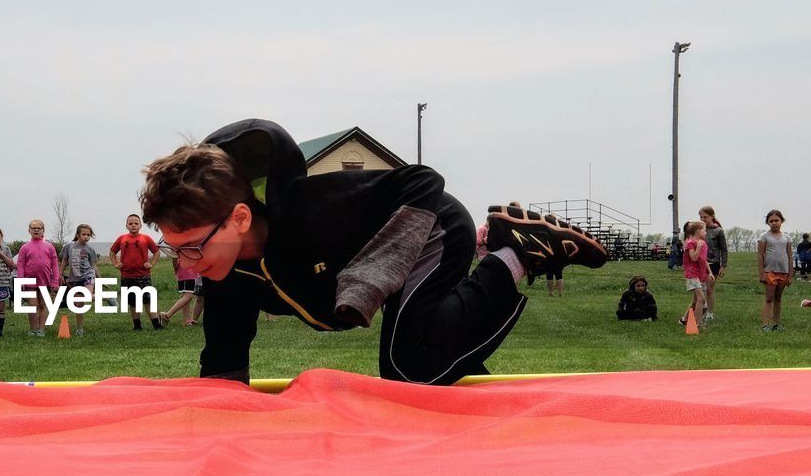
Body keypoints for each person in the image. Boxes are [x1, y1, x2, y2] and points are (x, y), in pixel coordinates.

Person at [139, 118, 607, 385]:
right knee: (422, 364)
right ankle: (454, 352)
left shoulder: (310, 209)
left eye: (194, 247)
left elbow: (423, 182)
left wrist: (371, 277)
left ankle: (516, 251)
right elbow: (224, 364)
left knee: (406, 366)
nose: (185, 265)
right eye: (174, 250)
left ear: (240, 218)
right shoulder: (227, 277)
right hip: (400, 247)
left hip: (431, 225)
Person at [110, 214, 162, 331]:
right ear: (126, 225)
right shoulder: (122, 239)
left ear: (140, 225)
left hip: (143, 275)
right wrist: (115, 263)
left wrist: (151, 263)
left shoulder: (146, 238)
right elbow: (112, 251)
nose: (133, 225)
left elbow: (156, 252)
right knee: (133, 302)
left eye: (136, 223)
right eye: (131, 223)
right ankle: (137, 326)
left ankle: (156, 325)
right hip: (126, 276)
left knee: (148, 300)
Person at [16, 219, 61, 337]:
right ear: (29, 230)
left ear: (43, 231)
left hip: (45, 281)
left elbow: (55, 265)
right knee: (32, 305)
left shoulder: (49, 247)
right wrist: (21, 281)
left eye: (39, 228)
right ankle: (33, 329)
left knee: (43, 305)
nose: (36, 230)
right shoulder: (24, 248)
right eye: (33, 228)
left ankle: (41, 329)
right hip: (29, 281)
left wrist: (55, 281)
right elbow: (20, 265)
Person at [59, 223, 100, 336]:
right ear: (78, 234)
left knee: (86, 295)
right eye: (84, 234)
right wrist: (60, 274)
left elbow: (93, 265)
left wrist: (99, 278)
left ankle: (107, 296)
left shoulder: (90, 249)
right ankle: (80, 329)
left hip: (88, 275)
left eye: (88, 235)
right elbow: (64, 261)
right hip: (75, 279)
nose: (86, 237)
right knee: (78, 305)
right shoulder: (69, 247)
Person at [757, 209, 793, 332]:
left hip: (784, 272)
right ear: (768, 223)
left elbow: (789, 256)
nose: (774, 223)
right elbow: (760, 255)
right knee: (769, 298)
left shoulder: (787, 238)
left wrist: (790, 274)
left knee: (778, 298)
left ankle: (776, 324)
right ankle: (765, 324)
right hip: (769, 272)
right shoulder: (764, 237)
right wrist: (762, 273)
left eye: (776, 220)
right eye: (771, 221)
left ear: (781, 221)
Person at [680, 220, 712, 327]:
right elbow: (693, 258)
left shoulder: (702, 243)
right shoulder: (690, 243)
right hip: (692, 274)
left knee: (695, 301)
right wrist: (698, 247)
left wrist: (710, 272)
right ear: (698, 231)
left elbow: (704, 260)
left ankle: (684, 320)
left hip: (700, 275)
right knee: (701, 299)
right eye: (704, 230)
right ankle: (699, 323)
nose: (706, 232)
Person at [699, 205, 727, 321]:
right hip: (700, 263)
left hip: (714, 264)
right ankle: (700, 309)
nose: (702, 219)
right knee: (700, 289)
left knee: (710, 290)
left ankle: (710, 313)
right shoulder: (699, 230)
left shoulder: (718, 231)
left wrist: (723, 266)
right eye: (701, 217)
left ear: (712, 216)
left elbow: (724, 249)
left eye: (705, 217)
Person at [161, 255, 204, 326]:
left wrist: (176, 268)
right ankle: (167, 315)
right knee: (188, 296)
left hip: (184, 271)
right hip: (189, 272)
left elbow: (174, 255)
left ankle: (186, 320)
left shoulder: (182, 244)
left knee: (185, 295)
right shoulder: (188, 244)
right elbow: (174, 255)